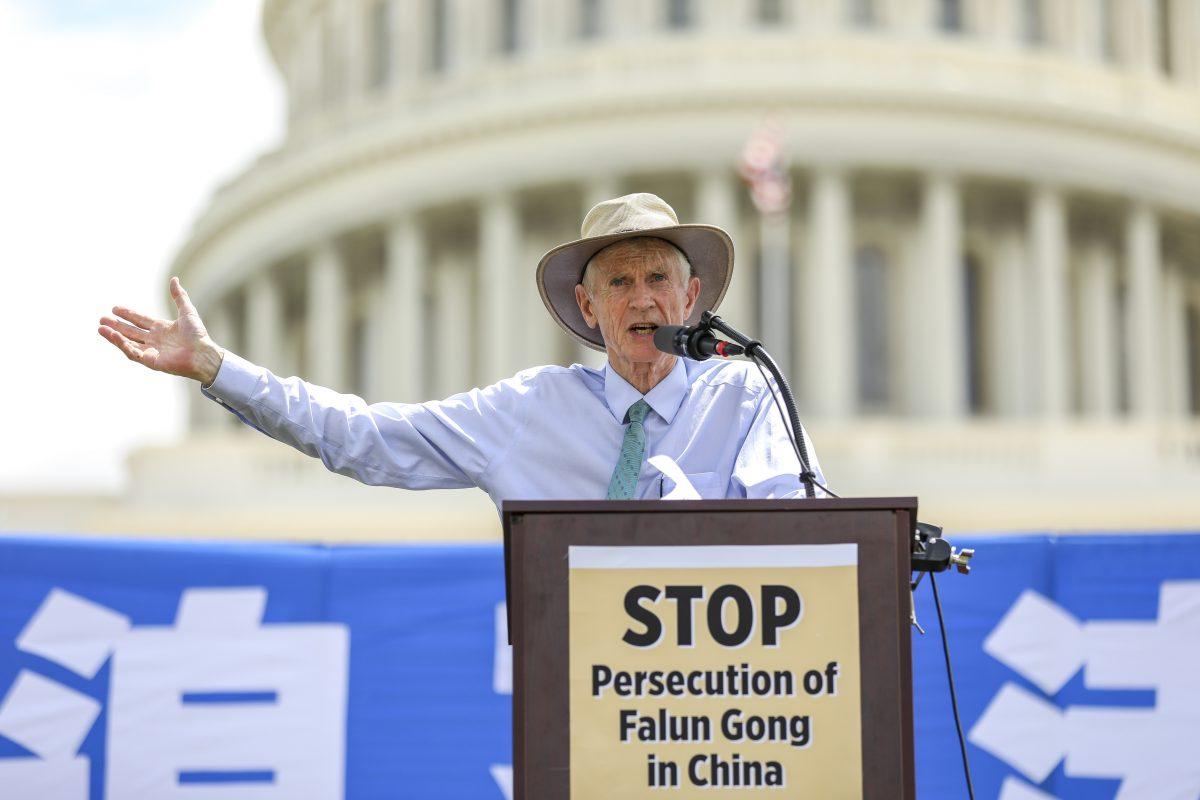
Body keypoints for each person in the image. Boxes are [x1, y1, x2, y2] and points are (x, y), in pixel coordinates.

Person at [99, 193, 825, 506]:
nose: (642, 299)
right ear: (588, 306)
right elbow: (365, 437)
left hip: (727, 704)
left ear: (692, 297)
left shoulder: (745, 395)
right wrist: (220, 369)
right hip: (579, 690)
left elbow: (806, 532)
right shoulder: (531, 410)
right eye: (620, 281)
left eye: (658, 278)